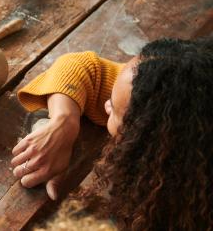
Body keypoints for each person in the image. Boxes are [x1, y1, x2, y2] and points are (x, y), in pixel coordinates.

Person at [11, 37, 213, 229]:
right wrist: (63, 122)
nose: (107, 104)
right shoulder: (188, 86)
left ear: (149, 138)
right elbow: (80, 66)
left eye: (115, 110)